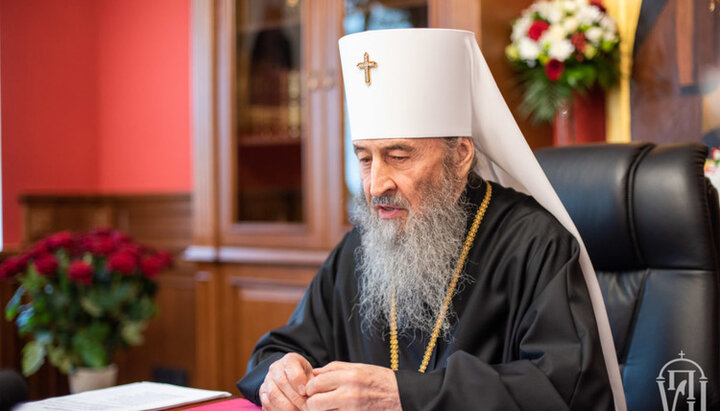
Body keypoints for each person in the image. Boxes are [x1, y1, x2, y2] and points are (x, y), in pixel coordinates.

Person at [237, 28, 626, 410]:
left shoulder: (535, 243)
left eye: (399, 157)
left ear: (460, 156)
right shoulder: (364, 244)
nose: (375, 185)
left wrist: (402, 396)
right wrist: (279, 372)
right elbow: (278, 350)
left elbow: (563, 390)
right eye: (365, 159)